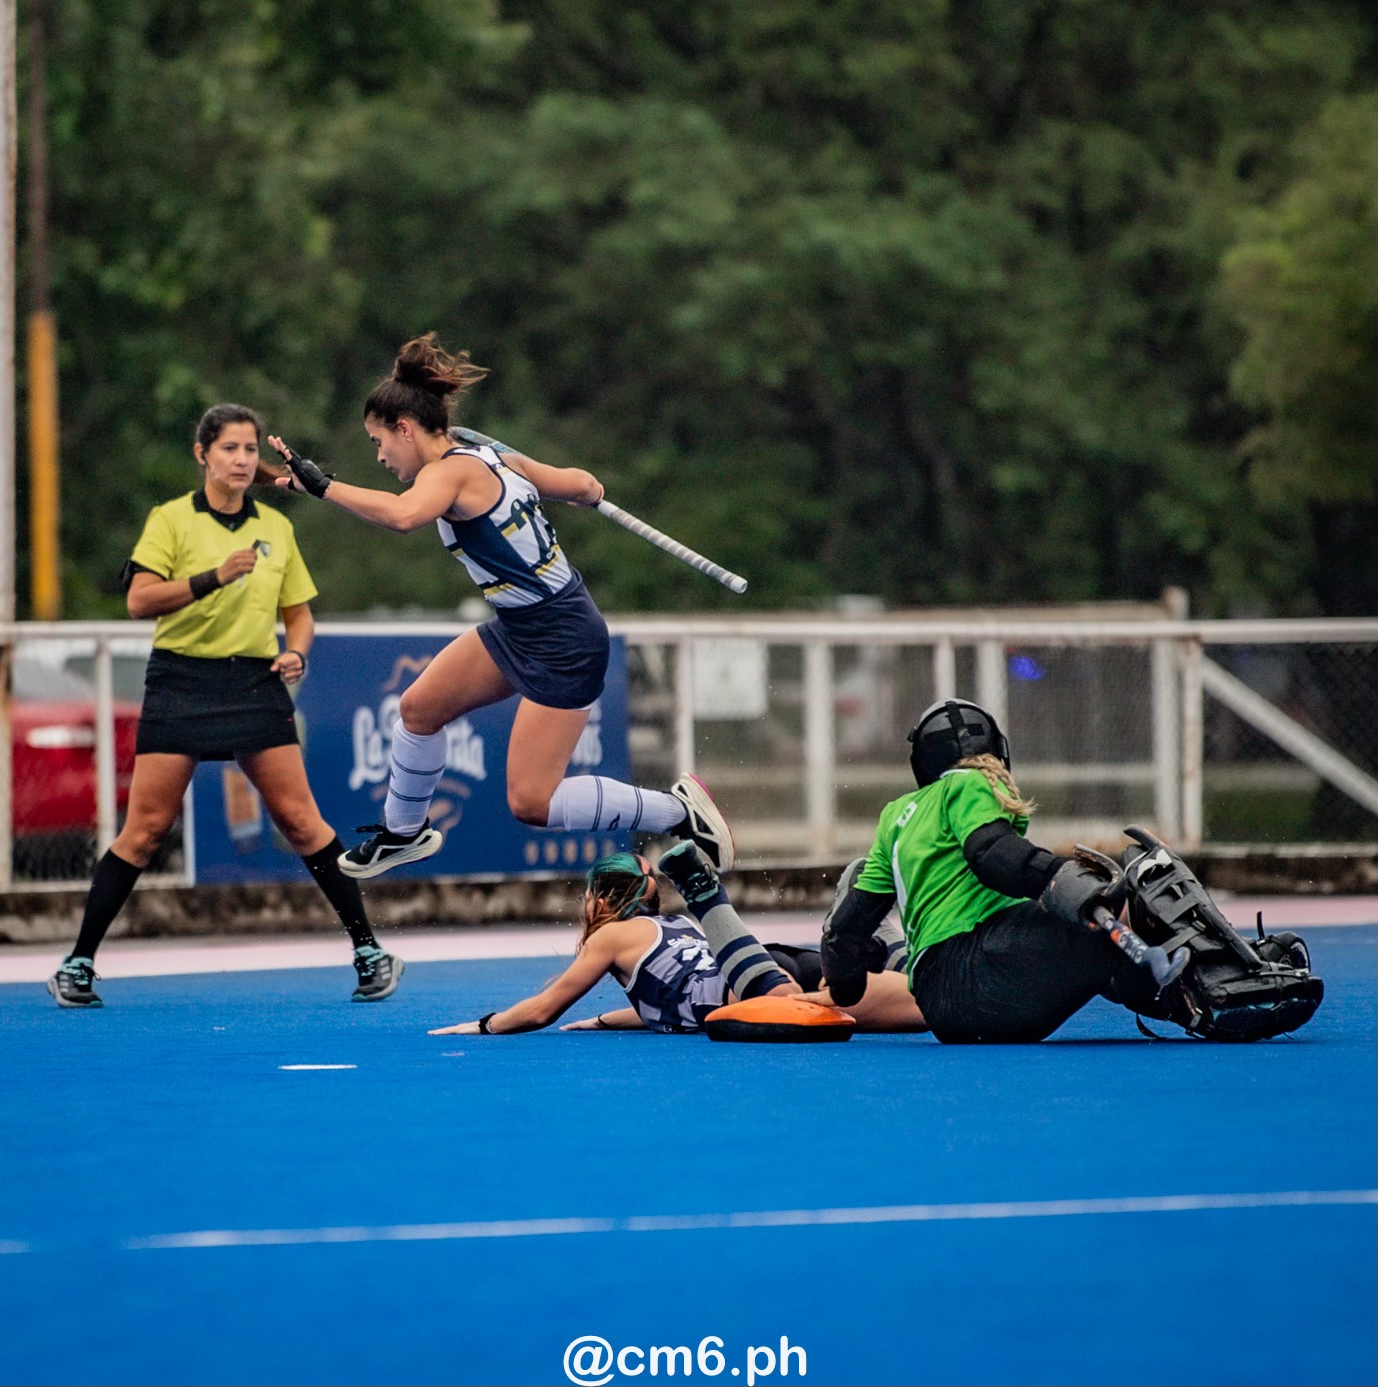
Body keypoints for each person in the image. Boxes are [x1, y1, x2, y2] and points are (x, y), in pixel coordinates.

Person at [266, 333, 732, 879]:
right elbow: (581, 484)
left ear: (405, 428)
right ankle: (403, 832)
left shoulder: (451, 471)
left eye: (379, 442)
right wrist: (583, 490)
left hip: (562, 637)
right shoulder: (490, 455)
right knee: (418, 711)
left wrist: (324, 487)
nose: (380, 456)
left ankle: (679, 812)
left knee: (531, 801)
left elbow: (401, 517)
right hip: (521, 626)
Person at [47, 405, 403, 1008]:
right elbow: (138, 602)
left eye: (248, 449)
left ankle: (368, 951)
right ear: (202, 455)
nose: (240, 459)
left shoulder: (277, 529)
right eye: (229, 448)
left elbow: (298, 614)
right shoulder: (171, 521)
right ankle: (78, 963)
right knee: (145, 831)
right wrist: (213, 577)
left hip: (253, 683)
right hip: (181, 682)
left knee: (300, 821)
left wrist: (298, 653)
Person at [817, 699, 1175, 1043]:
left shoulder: (895, 815)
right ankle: (1203, 1000)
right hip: (980, 968)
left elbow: (844, 931)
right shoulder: (969, 782)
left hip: (938, 1005)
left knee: (1100, 950)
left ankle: (1169, 990)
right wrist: (1061, 876)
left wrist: (846, 985)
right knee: (1123, 906)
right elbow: (991, 854)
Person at [429, 844, 926, 1036]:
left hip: (751, 986)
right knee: (924, 1003)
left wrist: (483, 1025)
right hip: (760, 962)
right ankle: (888, 939)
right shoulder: (675, 928)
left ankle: (709, 893)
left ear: (600, 899)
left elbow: (542, 1009)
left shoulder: (611, 937)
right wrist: (604, 1020)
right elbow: (668, 998)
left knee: (795, 1012)